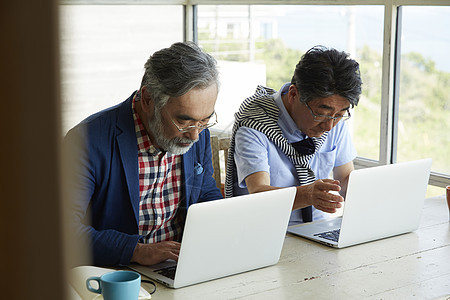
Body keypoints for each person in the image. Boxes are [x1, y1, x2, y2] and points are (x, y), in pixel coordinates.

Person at [64, 42, 223, 267]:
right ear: (148, 100)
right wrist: (136, 251)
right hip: (116, 273)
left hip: (182, 265)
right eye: (183, 121)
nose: (195, 135)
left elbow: (205, 194)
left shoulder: (196, 131)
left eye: (205, 120)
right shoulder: (87, 139)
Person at [225, 45, 362, 225]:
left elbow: (345, 179)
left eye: (339, 115)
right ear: (293, 94)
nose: (329, 126)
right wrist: (308, 195)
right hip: (264, 231)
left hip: (317, 229)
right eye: (321, 113)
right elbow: (258, 193)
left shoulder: (333, 116)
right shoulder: (254, 124)